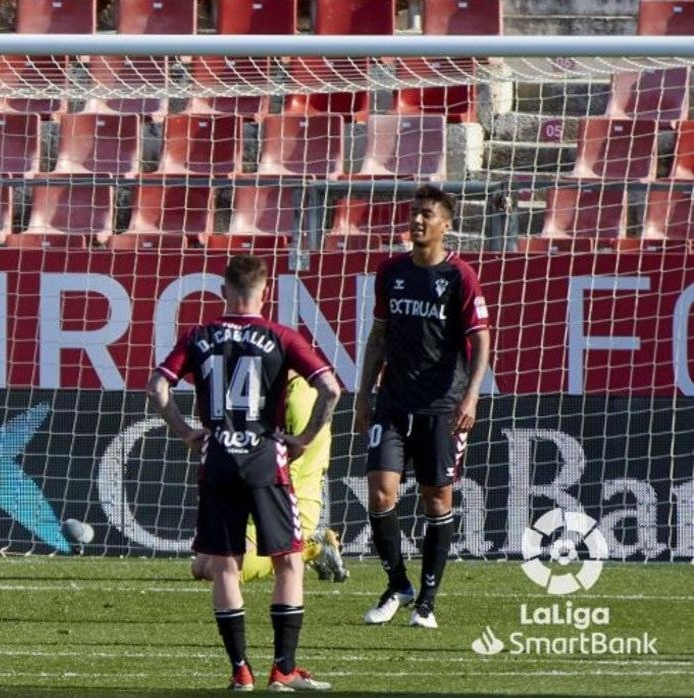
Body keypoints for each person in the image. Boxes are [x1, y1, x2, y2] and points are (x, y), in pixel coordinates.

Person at [148, 254, 340, 692]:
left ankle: (240, 672)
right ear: (265, 291)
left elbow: (157, 387)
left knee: (224, 565)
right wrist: (305, 437)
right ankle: (283, 669)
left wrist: (185, 433)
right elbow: (330, 388)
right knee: (289, 561)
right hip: (263, 459)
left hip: (217, 458)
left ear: (223, 292)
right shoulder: (280, 336)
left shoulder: (199, 336)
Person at [354, 184, 491, 630]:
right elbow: (378, 337)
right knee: (380, 491)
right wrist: (362, 393)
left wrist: (471, 395)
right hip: (393, 401)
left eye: (426, 214)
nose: (416, 220)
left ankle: (427, 600)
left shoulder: (459, 276)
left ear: (445, 225)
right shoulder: (390, 270)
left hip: (442, 406)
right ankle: (398, 584)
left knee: (437, 499)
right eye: (413, 213)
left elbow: (481, 340)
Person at [191, 372, 348, 585]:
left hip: (288, 505)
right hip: (261, 498)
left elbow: (292, 464)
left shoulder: (300, 398)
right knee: (199, 568)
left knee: (219, 571)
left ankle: (312, 546)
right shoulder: (275, 392)